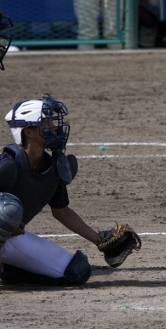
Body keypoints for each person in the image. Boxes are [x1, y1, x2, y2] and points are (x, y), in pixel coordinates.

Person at [0, 95, 104, 285]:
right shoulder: (8, 165)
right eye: (46, 123)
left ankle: (9, 268)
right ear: (28, 132)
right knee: (7, 212)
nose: (55, 128)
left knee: (76, 271)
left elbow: (61, 211)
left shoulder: (52, 168)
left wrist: (98, 240)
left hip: (8, 241)